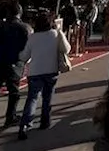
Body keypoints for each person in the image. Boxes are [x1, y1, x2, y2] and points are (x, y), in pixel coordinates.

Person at [18, 10, 70, 139]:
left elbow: (24, 56)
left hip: (34, 71)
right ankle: (45, 122)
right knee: (48, 98)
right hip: (51, 71)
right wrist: (59, 32)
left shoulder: (33, 37)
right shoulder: (55, 34)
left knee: (32, 98)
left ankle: (25, 125)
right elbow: (67, 49)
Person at [0, 9, 32, 135]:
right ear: (20, 14)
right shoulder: (24, 28)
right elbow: (27, 47)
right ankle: (10, 116)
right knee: (14, 92)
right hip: (14, 63)